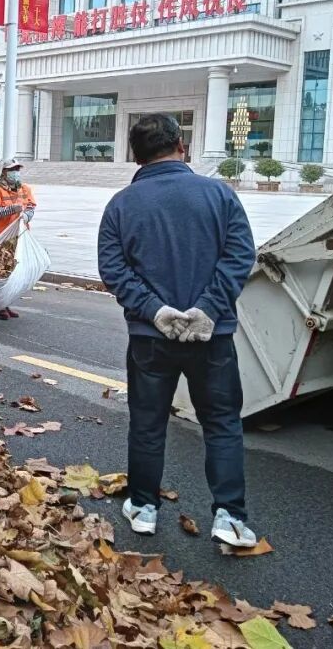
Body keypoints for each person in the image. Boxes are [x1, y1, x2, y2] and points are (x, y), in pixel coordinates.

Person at [97, 114, 257, 548]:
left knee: (148, 423)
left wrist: (155, 310)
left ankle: (144, 508)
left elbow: (113, 269)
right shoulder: (220, 195)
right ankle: (230, 517)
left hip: (151, 339)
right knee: (221, 423)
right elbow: (240, 257)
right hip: (212, 337)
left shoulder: (121, 205)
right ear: (181, 146)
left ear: (136, 156)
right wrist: (207, 309)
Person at [0, 159, 38, 320]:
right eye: (12, 170)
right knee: (0, 274)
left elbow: (31, 207)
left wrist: (27, 216)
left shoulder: (25, 188)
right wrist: (12, 209)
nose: (15, 172)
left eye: (17, 169)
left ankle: (5, 303)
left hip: (19, 237)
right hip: (1, 237)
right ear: (4, 172)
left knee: (12, 274)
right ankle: (0, 305)